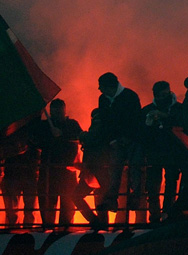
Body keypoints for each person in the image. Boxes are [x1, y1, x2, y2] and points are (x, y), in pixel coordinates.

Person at [94, 72, 142, 230]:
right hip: (116, 141)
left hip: (133, 139)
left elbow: (135, 120)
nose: (100, 90)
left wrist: (126, 137)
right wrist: (113, 140)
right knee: (114, 170)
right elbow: (106, 122)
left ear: (110, 86)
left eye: (102, 87)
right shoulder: (105, 99)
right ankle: (112, 200)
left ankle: (136, 198)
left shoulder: (130, 97)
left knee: (135, 169)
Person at [33, 99, 83, 229]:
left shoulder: (72, 124)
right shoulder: (44, 126)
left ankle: (65, 229)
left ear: (64, 110)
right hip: (48, 169)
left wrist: (62, 134)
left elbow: (80, 138)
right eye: (54, 110)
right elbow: (35, 140)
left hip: (66, 170)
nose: (56, 112)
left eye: (59, 109)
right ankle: (48, 227)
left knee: (67, 203)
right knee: (47, 202)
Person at [141, 81, 184, 223]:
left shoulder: (178, 109)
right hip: (155, 152)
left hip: (172, 152)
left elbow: (182, 123)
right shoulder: (148, 110)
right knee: (153, 186)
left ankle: (168, 214)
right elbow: (141, 131)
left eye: (164, 95)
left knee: (170, 184)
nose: (162, 98)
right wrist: (148, 123)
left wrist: (163, 116)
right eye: (159, 95)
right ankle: (154, 215)